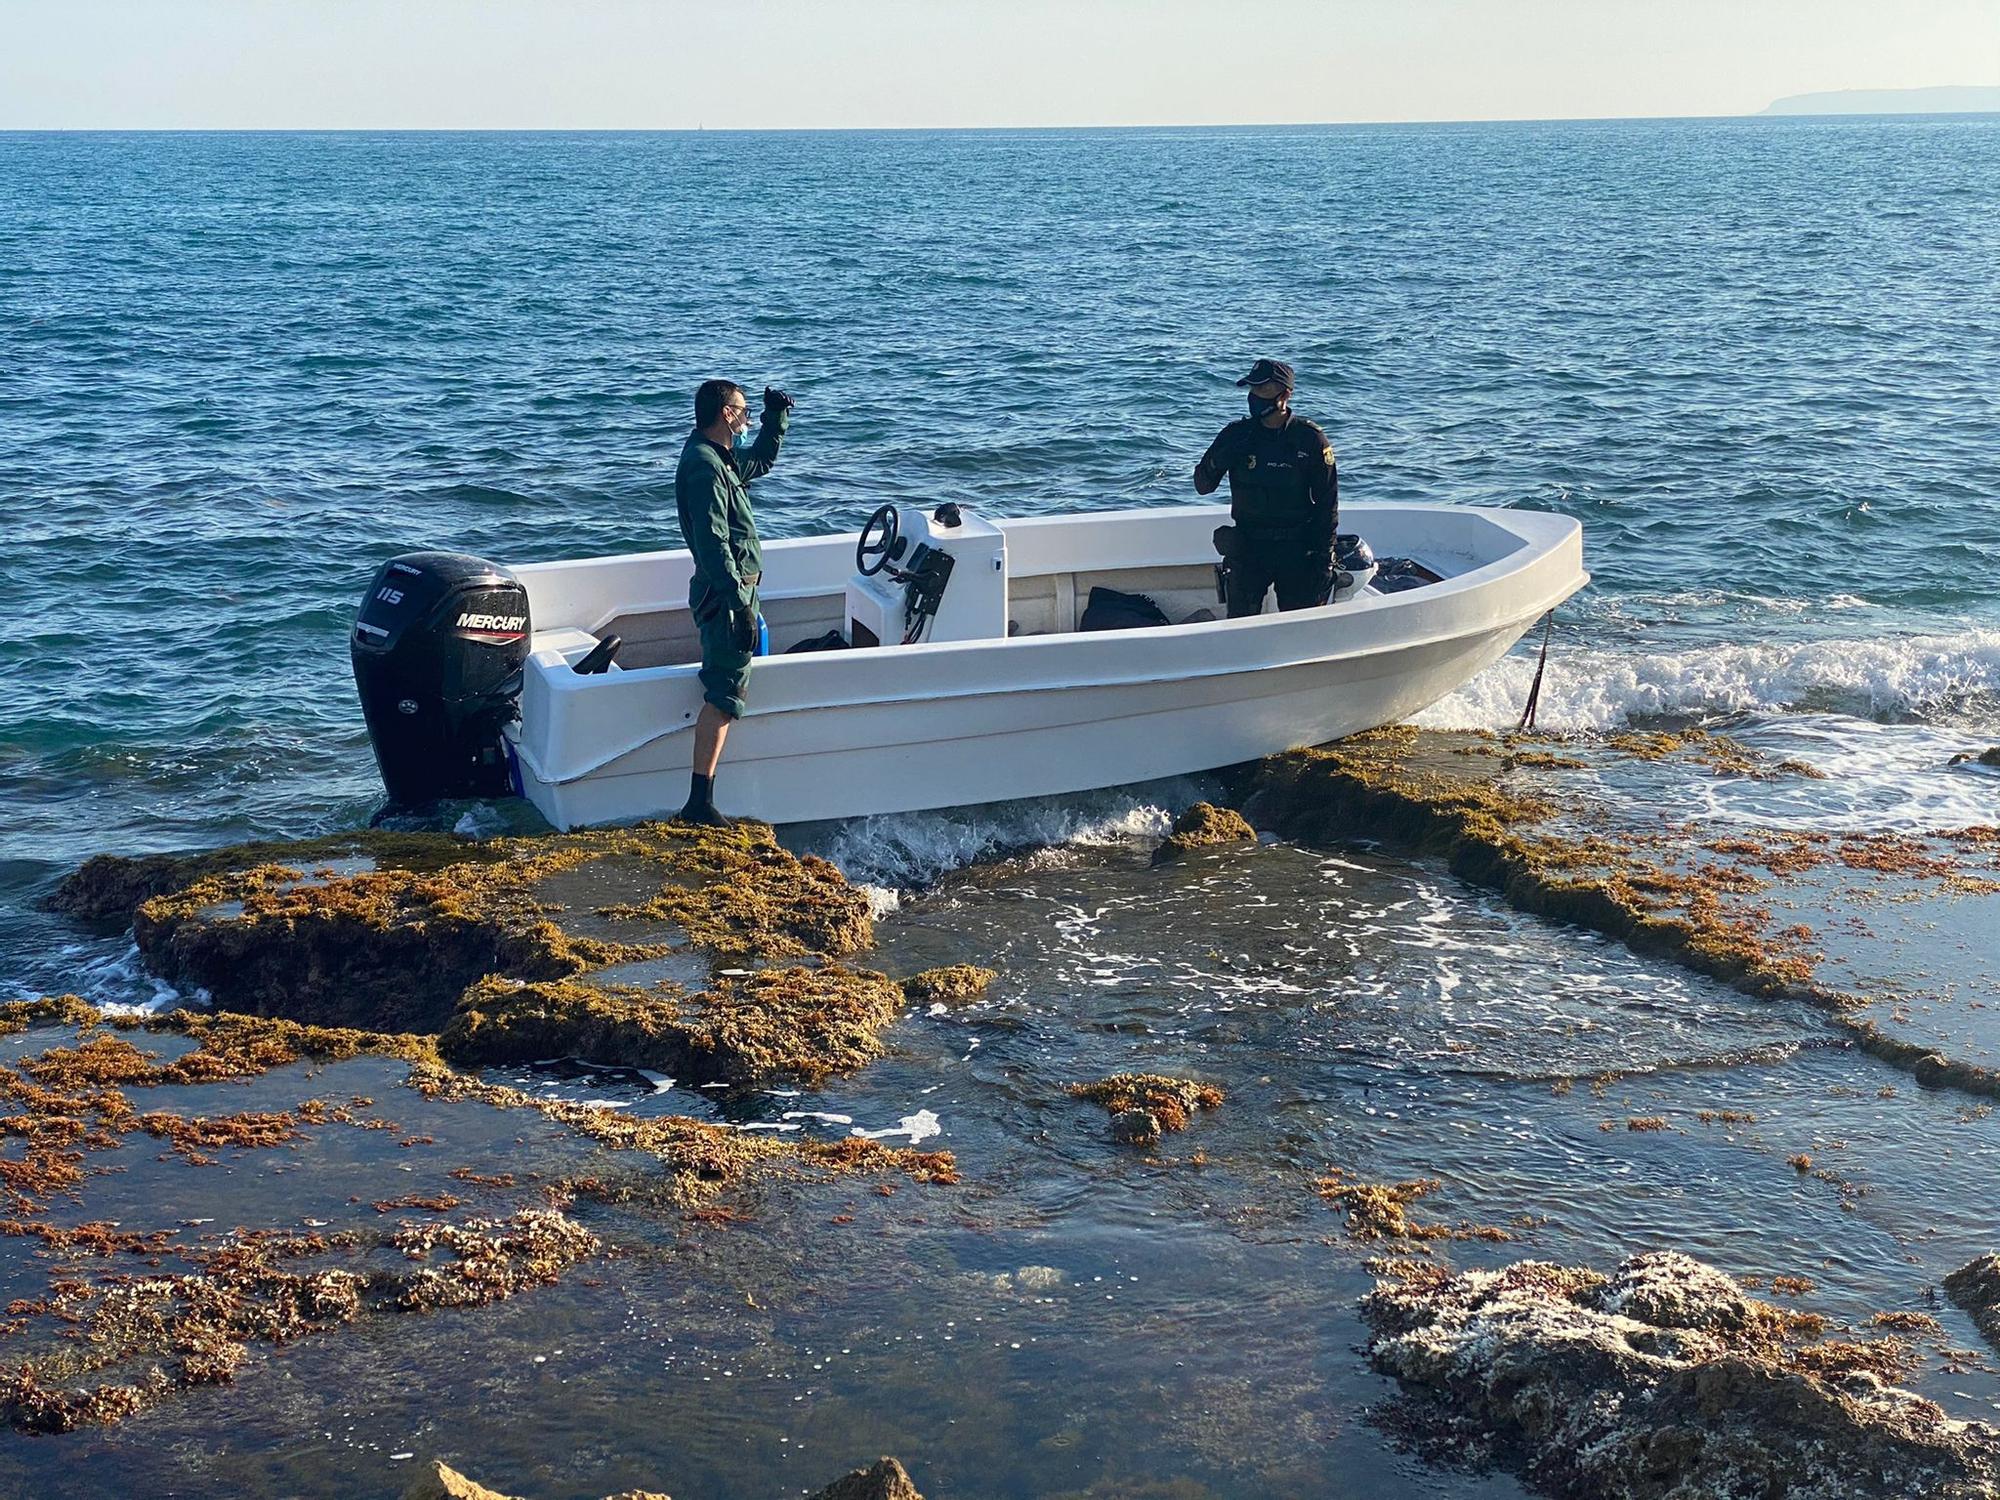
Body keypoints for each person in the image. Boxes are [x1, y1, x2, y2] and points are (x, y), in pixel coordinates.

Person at [674, 378, 792, 824]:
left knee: (728, 686)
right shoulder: (704, 467)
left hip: (733, 591)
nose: (745, 419)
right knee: (724, 692)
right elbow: (713, 543)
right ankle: (698, 802)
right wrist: (739, 603)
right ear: (725, 414)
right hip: (726, 595)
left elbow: (758, 460)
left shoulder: (719, 458)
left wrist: (775, 419)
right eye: (742, 412)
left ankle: (700, 799)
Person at [1192, 358, 1338, 618]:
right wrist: (1220, 458)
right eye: (1252, 389)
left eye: (1263, 390)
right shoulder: (1236, 434)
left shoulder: (1309, 439)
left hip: (1296, 548)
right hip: (1248, 546)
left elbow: (1327, 504)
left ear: (1285, 395)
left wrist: (1324, 558)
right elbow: (1202, 486)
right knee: (1240, 627)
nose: (1255, 397)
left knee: (1298, 628)